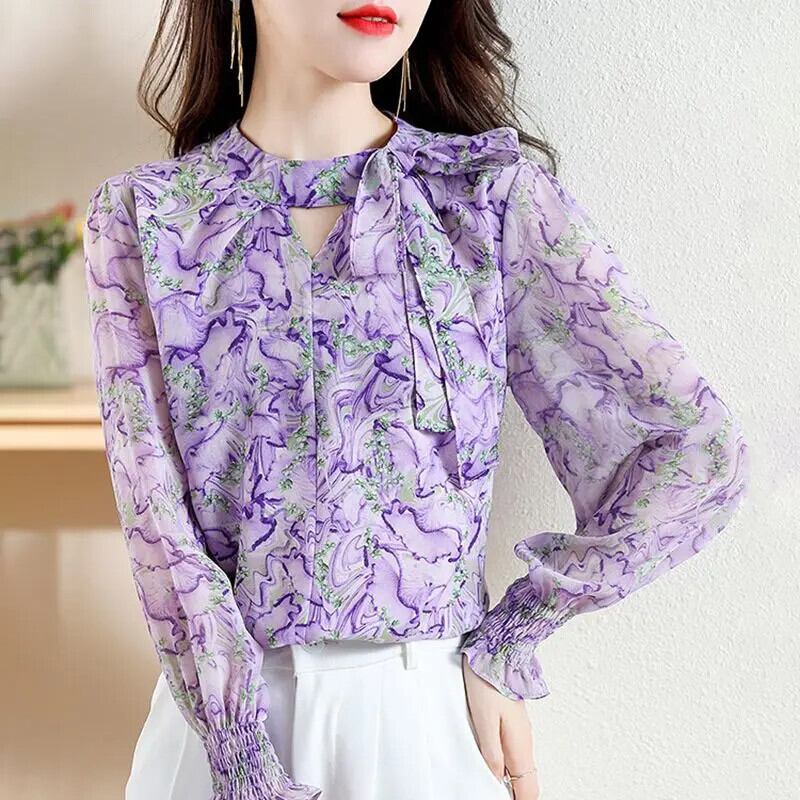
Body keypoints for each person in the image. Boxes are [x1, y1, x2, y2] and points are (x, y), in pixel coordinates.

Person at [82, 1, 750, 799]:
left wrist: (512, 637)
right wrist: (238, 754)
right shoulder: (147, 217)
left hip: (424, 724)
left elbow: (695, 445)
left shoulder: (485, 198)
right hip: (216, 743)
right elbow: (155, 516)